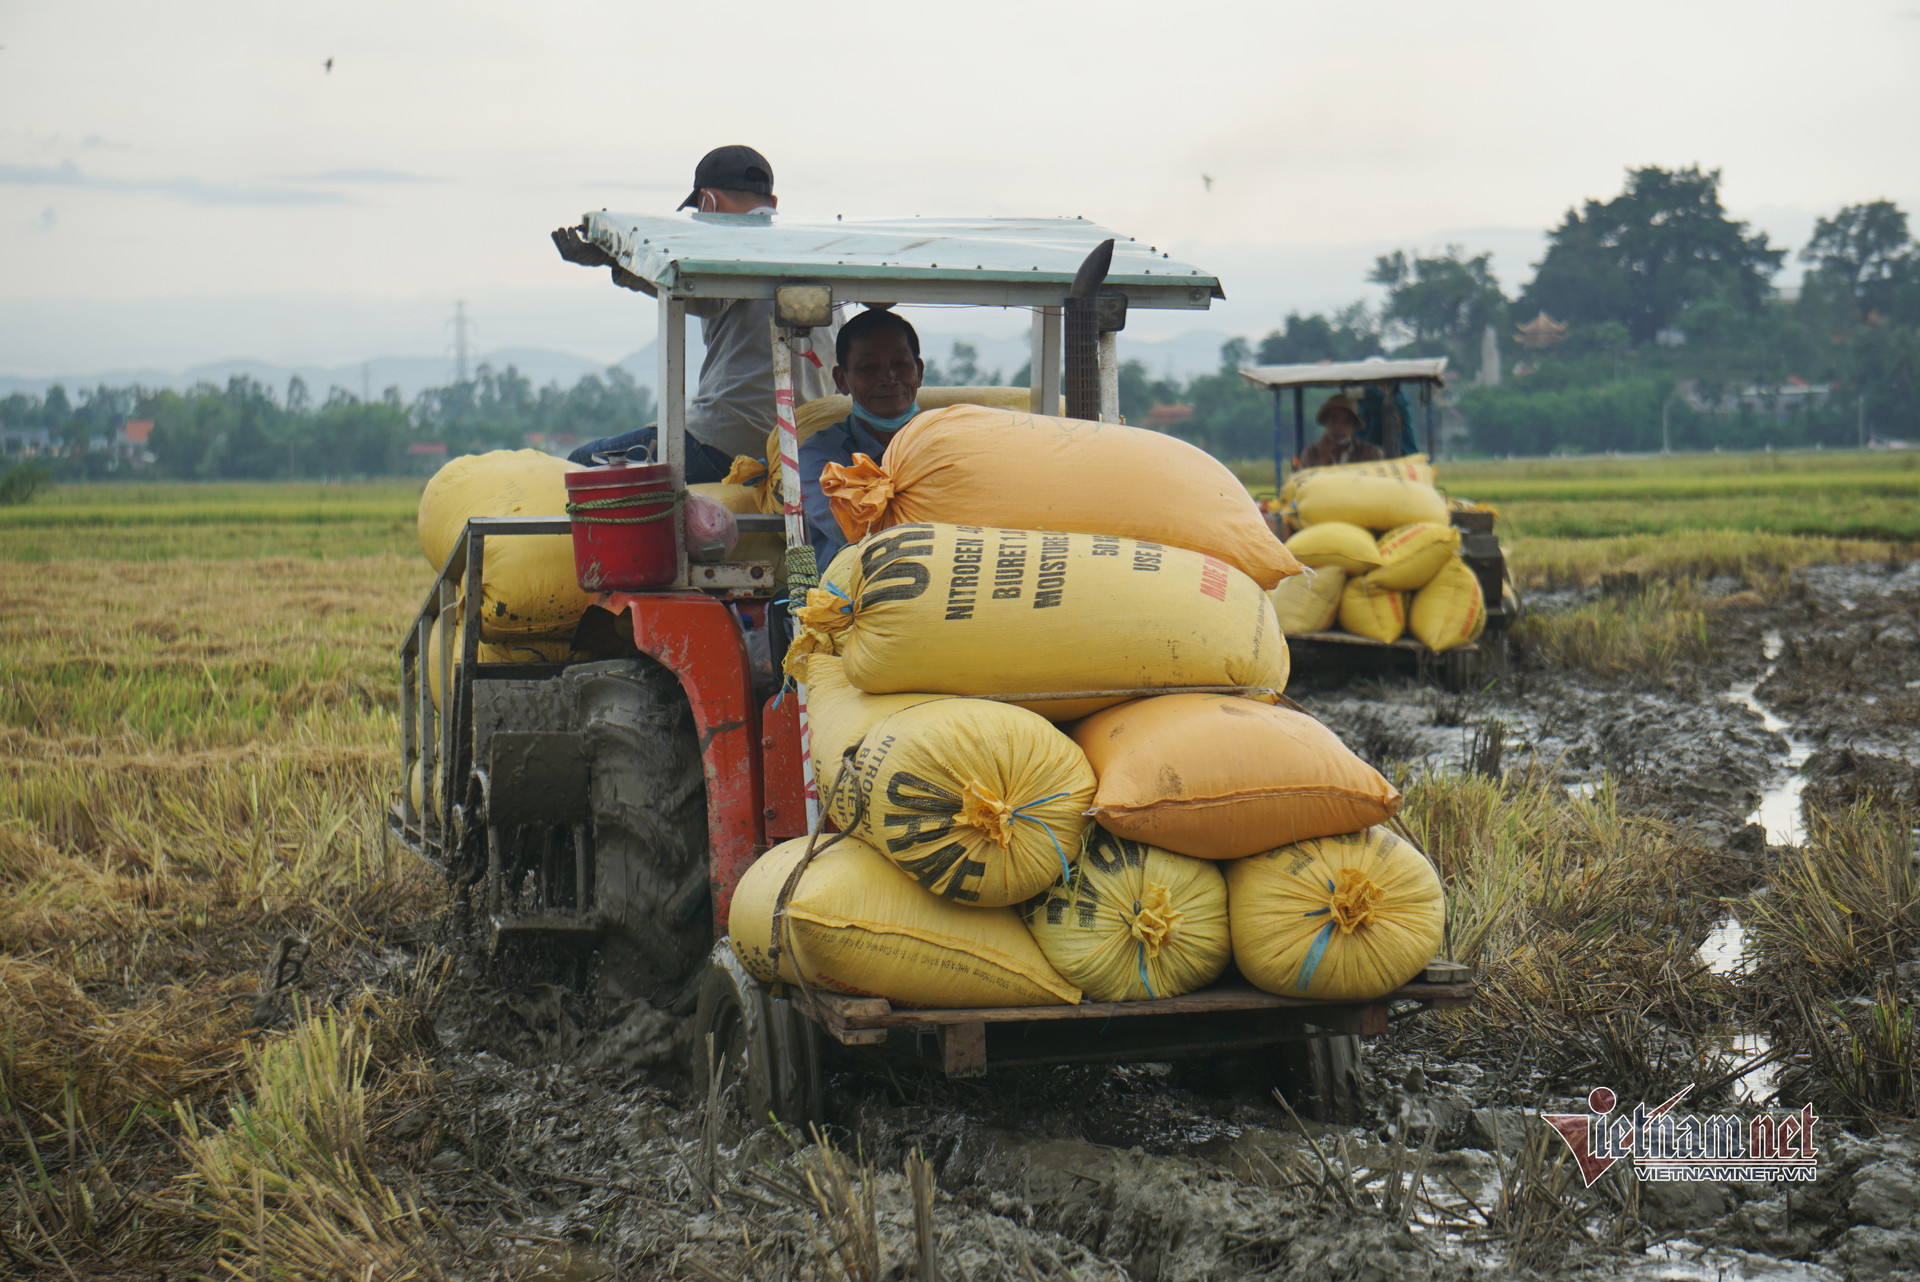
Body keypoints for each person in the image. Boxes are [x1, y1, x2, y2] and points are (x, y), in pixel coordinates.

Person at [568, 145, 839, 476]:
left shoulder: (729, 245)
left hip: (727, 440)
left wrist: (618, 265)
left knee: (578, 465)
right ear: (774, 204)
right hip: (804, 445)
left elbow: (707, 299)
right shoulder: (821, 255)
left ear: (708, 202)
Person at [798, 308, 925, 565]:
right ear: (841, 380)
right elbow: (857, 532)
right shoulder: (820, 457)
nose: (889, 379)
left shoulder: (944, 443)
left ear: (919, 371)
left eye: (900, 365)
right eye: (868, 368)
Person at [1299, 393, 1385, 469]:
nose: (1339, 427)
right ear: (1325, 422)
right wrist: (1323, 459)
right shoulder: (1311, 453)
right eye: (1334, 420)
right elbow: (1304, 484)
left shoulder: (1371, 453)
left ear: (1353, 426)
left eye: (1346, 421)